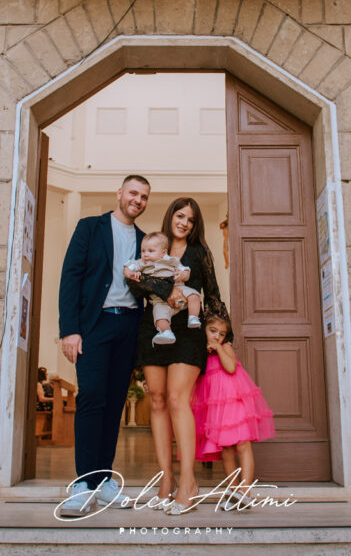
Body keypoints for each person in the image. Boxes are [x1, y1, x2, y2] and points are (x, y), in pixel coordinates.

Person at [56, 175, 151, 517]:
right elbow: (71, 277)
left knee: (114, 404)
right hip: (94, 324)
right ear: (120, 193)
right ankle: (83, 484)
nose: (137, 200)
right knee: (92, 398)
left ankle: (104, 479)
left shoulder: (144, 241)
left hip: (128, 326)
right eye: (133, 193)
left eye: (144, 197)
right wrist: (70, 330)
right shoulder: (90, 228)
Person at [132, 197, 224, 516]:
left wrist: (223, 337)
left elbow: (212, 295)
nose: (184, 222)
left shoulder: (200, 253)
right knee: (157, 400)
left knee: (176, 399)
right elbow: (137, 283)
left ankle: (188, 482)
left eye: (191, 219)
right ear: (171, 216)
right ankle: (166, 480)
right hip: (154, 326)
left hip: (189, 329)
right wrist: (165, 289)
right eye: (180, 216)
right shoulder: (153, 246)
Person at [191, 313, 275, 511]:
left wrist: (219, 348)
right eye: (212, 331)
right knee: (226, 450)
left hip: (235, 404)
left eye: (221, 334)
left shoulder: (225, 347)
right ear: (203, 330)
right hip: (216, 409)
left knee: (243, 444)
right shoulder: (201, 353)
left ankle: (245, 491)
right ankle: (234, 490)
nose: (217, 336)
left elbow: (230, 368)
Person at [124, 231, 202, 346]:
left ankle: (193, 317)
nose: (145, 254)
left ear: (163, 252)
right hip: (159, 300)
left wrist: (184, 274)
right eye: (143, 251)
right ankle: (166, 333)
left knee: (194, 295)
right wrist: (130, 273)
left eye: (150, 251)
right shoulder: (141, 263)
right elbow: (127, 267)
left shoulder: (171, 260)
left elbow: (185, 270)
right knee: (160, 317)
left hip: (179, 290)